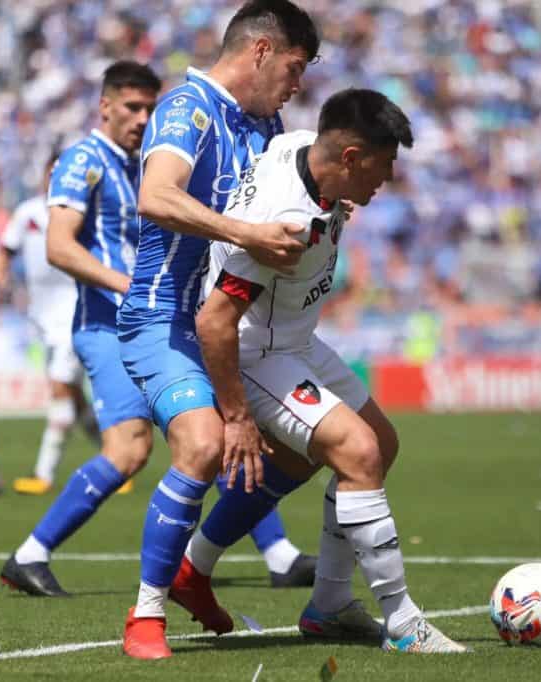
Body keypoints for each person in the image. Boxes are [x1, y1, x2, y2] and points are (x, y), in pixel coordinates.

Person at [0, 61, 313, 598]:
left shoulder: (150, 161)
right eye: (131, 108)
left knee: (216, 432)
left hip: (171, 321)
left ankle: (278, 553)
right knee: (129, 452)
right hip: (109, 326)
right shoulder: (84, 160)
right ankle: (31, 553)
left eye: (149, 108)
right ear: (104, 107)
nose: (143, 119)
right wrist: (129, 285)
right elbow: (59, 246)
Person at [184, 89, 467, 654]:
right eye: (383, 166)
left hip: (294, 339)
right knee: (357, 453)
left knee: (378, 445)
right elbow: (215, 322)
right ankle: (403, 622)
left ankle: (320, 603)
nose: (386, 180)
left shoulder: (301, 149)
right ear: (351, 157)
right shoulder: (286, 226)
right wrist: (237, 416)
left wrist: (335, 202)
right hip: (255, 352)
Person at [116, 0, 320, 660]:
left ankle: (193, 572)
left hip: (231, 326)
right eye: (293, 69)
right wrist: (247, 232)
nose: (297, 86)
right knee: (204, 444)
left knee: (301, 446)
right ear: (261, 51)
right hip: (161, 318)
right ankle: (145, 616)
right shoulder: (186, 107)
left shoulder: (268, 123)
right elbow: (156, 196)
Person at [0, 161, 100, 495]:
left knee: (60, 389)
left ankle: (44, 474)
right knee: (75, 396)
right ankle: (116, 456)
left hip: (74, 311)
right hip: (42, 317)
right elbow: (6, 249)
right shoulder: (28, 213)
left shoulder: (82, 213)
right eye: (51, 174)